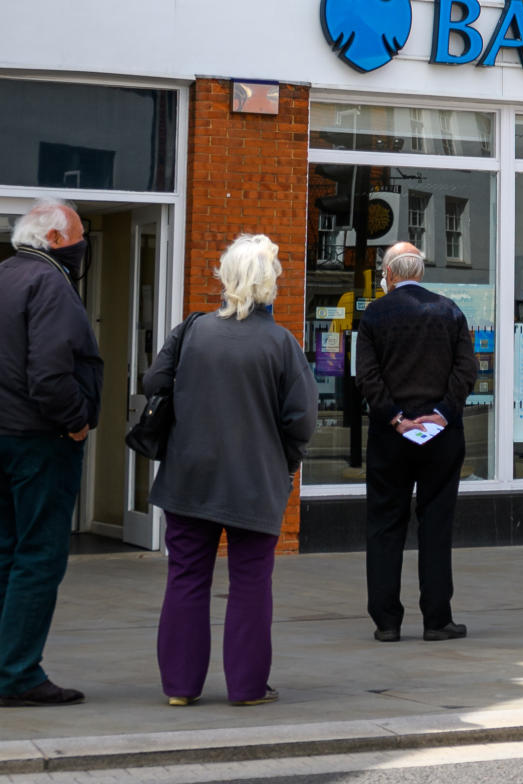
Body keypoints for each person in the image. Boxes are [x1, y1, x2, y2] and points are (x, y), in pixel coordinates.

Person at [144, 233, 317, 707]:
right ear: (270, 284)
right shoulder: (282, 344)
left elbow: (153, 381)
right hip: (254, 480)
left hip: (189, 475)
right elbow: (301, 419)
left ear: (224, 277)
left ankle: (180, 688)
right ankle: (246, 687)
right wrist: (287, 460)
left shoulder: (192, 330)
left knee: (185, 577)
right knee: (250, 584)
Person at [0, 198, 101, 707]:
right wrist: (77, 422)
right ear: (57, 239)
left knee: (7, 551)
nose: (84, 247)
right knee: (39, 555)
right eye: (80, 237)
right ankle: (18, 673)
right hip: (42, 437)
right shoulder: (50, 283)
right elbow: (50, 373)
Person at [356, 241, 478, 643]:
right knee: (436, 525)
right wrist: (442, 412)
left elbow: (367, 377)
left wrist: (395, 417)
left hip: (391, 437)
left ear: (389, 275)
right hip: (440, 436)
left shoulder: (374, 314)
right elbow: (466, 370)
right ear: (419, 273)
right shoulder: (449, 310)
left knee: (385, 526)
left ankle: (387, 621)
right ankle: (437, 619)